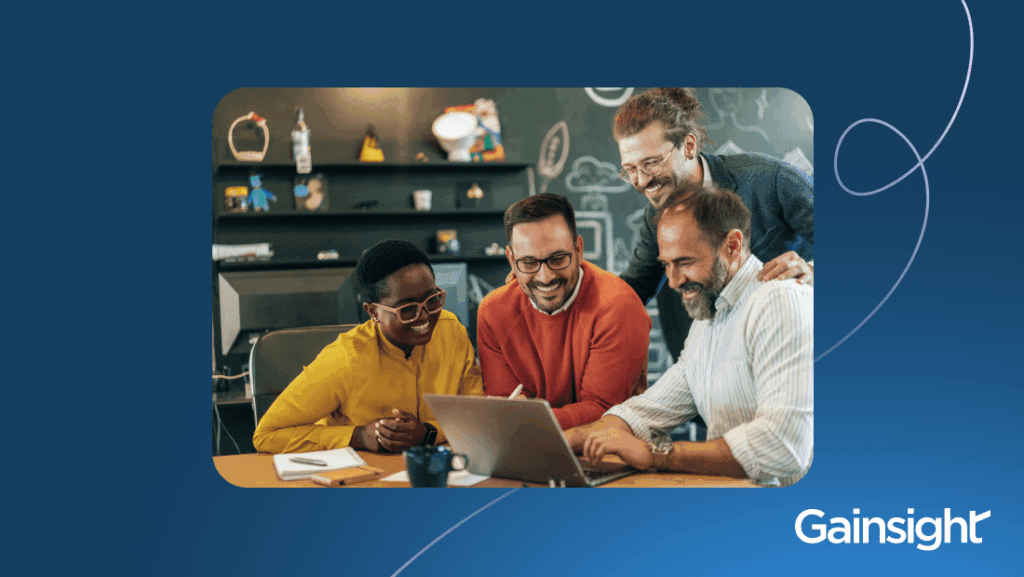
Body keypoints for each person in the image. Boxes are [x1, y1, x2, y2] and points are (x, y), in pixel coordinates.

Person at [566, 185, 813, 487]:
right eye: (666, 266)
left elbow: (784, 446)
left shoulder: (778, 302)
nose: (672, 281)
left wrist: (656, 454)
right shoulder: (709, 318)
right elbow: (650, 409)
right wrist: (559, 441)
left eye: (684, 262)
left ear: (732, 246)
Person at [615, 87, 814, 362]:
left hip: (790, 344)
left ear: (689, 145)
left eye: (651, 164)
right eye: (631, 170)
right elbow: (632, 290)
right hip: (713, 357)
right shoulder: (655, 217)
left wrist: (812, 270)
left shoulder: (769, 179)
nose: (641, 181)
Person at [252, 240, 483, 454]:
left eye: (432, 300)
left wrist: (426, 433)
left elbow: (475, 414)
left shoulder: (451, 331)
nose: (424, 316)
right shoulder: (345, 358)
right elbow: (266, 435)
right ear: (373, 312)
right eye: (407, 309)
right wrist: (357, 436)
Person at [476, 193, 651, 430]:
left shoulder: (619, 306)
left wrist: (526, 417)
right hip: (527, 451)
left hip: (610, 454)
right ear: (511, 260)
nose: (545, 277)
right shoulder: (493, 312)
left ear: (579, 250)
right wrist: (519, 417)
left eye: (557, 259)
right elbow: (505, 406)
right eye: (528, 263)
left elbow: (604, 411)